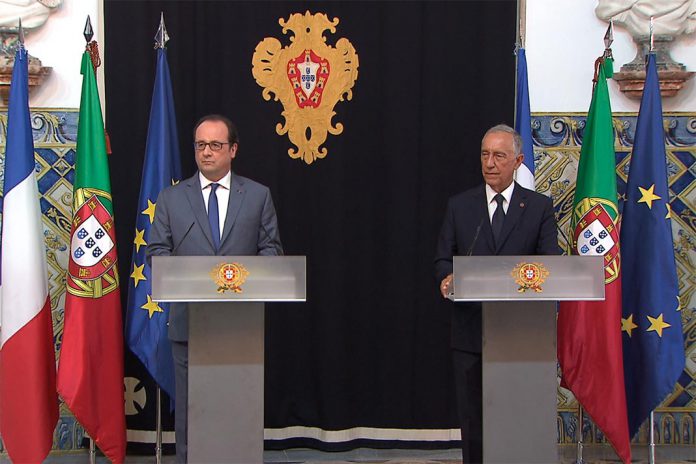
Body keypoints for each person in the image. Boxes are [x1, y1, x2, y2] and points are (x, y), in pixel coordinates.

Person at [147, 114, 283, 463]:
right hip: (189, 325)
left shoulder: (257, 196)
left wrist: (240, 276)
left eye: (215, 145)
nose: (207, 152)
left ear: (233, 150)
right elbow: (156, 254)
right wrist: (191, 274)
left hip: (240, 326)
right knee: (193, 412)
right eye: (200, 145)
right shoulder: (171, 199)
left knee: (237, 409)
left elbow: (272, 252)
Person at [434, 124, 558, 463]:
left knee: (516, 417)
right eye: (485, 155)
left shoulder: (538, 207)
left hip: (521, 334)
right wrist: (446, 278)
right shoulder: (461, 206)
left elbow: (551, 266)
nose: (490, 163)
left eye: (499, 156)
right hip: (471, 331)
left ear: (517, 161)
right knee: (473, 419)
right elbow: (443, 258)